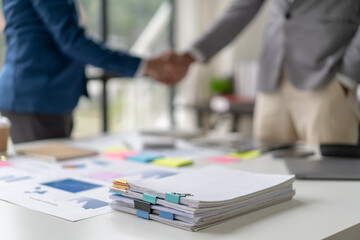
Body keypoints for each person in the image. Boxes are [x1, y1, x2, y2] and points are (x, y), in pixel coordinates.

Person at [168, 0, 360, 145]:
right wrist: (189, 56)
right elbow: (242, 8)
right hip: (272, 79)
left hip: (328, 78)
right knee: (270, 174)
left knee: (332, 175)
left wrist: (347, 76)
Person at [0, 0, 179, 143]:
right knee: (45, 177)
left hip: (41, 96)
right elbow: (73, 42)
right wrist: (144, 66)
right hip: (36, 96)